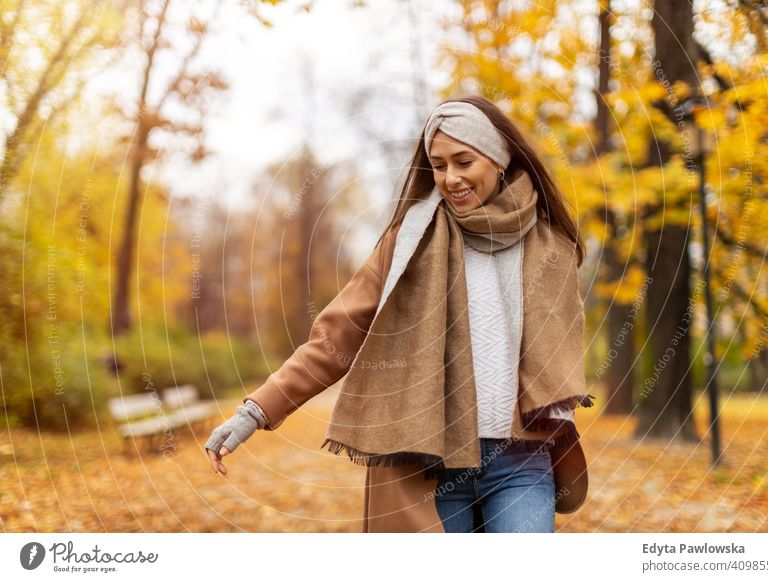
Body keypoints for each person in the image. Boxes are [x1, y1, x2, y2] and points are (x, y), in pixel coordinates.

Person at [205, 95, 593, 533]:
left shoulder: (549, 247)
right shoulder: (406, 244)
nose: (451, 178)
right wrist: (254, 412)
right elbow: (335, 338)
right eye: (440, 164)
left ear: (499, 158)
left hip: (523, 462)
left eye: (464, 161)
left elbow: (558, 355)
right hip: (429, 462)